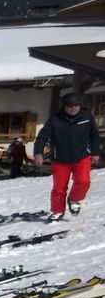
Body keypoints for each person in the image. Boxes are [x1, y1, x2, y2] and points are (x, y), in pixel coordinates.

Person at [34, 93, 101, 221]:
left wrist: (95, 152)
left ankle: (74, 199)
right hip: (60, 159)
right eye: (70, 106)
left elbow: (94, 136)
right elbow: (42, 137)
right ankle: (57, 211)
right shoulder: (55, 120)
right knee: (59, 188)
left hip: (81, 156)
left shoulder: (87, 118)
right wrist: (38, 153)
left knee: (83, 181)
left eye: (76, 105)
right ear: (64, 106)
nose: (73, 108)